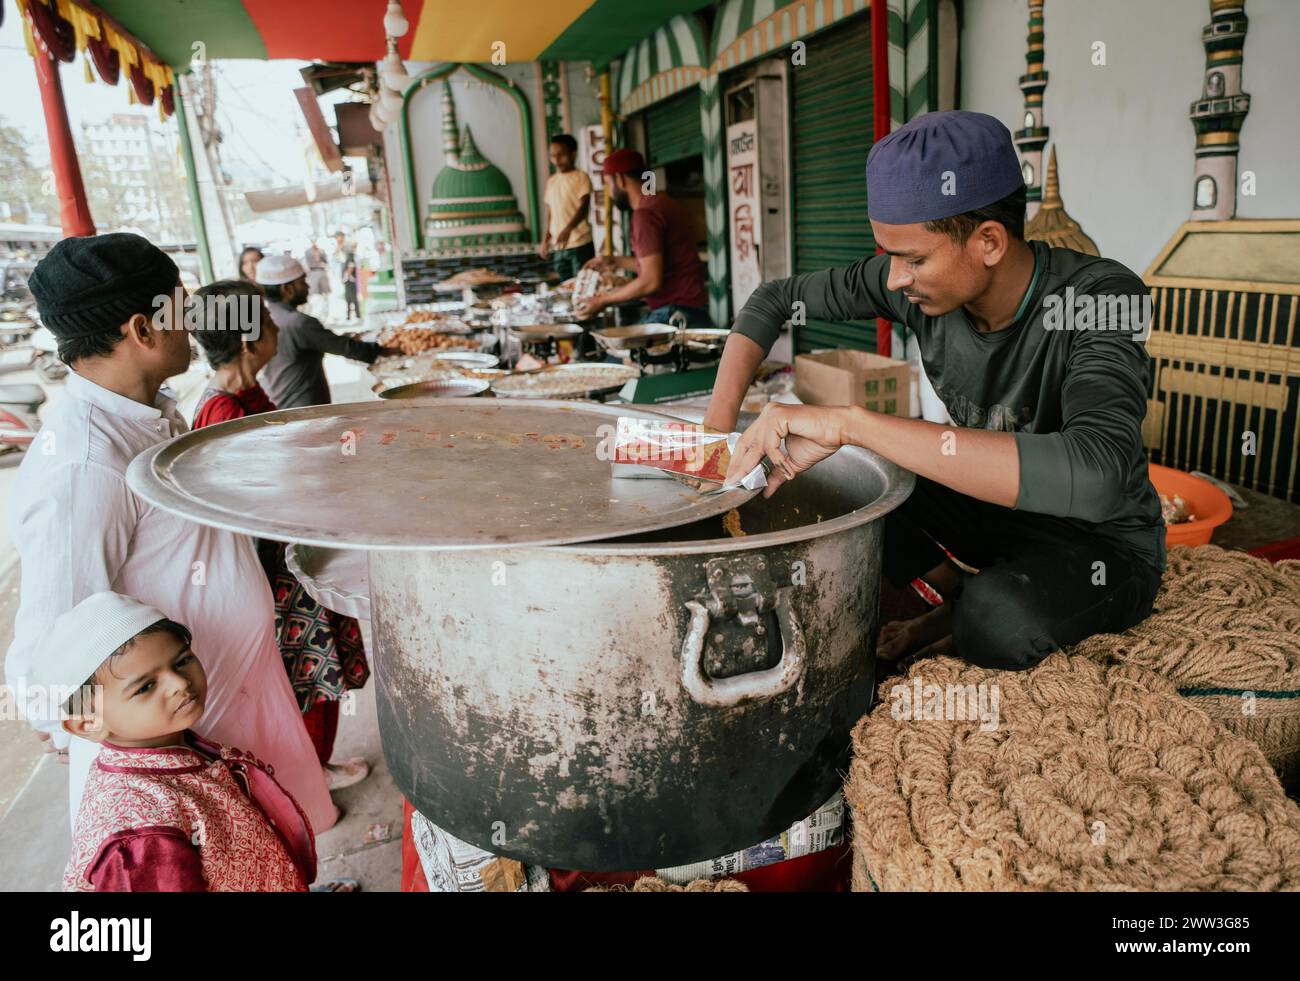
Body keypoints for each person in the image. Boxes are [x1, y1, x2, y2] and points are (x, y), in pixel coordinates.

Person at [713, 110, 1165, 672]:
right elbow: (774, 299)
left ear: (990, 242)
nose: (896, 279)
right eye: (889, 256)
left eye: (914, 259)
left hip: (1100, 544)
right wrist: (711, 445)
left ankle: (959, 606)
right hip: (993, 510)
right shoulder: (917, 286)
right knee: (848, 467)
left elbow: (1097, 476)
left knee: (996, 620)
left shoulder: (1099, 295)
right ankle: (953, 584)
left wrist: (849, 421)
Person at [7, 233, 335, 833]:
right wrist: (142, 759)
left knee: (274, 854)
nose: (193, 323)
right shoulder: (84, 466)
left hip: (232, 698)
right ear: (143, 329)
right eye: (180, 308)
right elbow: (51, 651)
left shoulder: (152, 413)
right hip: (182, 743)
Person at [189, 279, 371, 795]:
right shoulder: (221, 411)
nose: (277, 329)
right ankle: (311, 774)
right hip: (274, 573)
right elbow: (247, 506)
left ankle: (316, 767)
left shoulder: (246, 392)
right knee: (314, 676)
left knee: (323, 669)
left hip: (289, 555)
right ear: (248, 342)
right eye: (268, 324)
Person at [40, 592, 317, 892]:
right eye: (145, 686)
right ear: (88, 724)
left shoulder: (168, 743)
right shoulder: (139, 840)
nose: (180, 684)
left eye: (182, 661)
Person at [575, 148, 710, 327]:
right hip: (693, 307)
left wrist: (603, 300)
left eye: (608, 184)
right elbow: (657, 265)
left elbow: (650, 281)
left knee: (622, 352)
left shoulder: (645, 215)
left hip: (677, 312)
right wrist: (613, 260)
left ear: (620, 179)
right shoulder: (663, 202)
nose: (609, 193)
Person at [254, 254, 395, 409]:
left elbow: (324, 340)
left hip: (279, 403)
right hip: (302, 411)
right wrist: (392, 349)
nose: (308, 286)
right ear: (286, 289)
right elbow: (349, 348)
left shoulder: (266, 318)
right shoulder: (298, 323)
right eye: (303, 282)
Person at [539, 134, 594, 281]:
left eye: (561, 155)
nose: (556, 160)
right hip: (559, 246)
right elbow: (551, 212)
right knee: (565, 287)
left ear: (573, 153)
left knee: (582, 286)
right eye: (553, 156)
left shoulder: (581, 177)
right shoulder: (552, 181)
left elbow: (584, 206)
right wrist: (546, 239)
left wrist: (569, 228)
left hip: (580, 244)